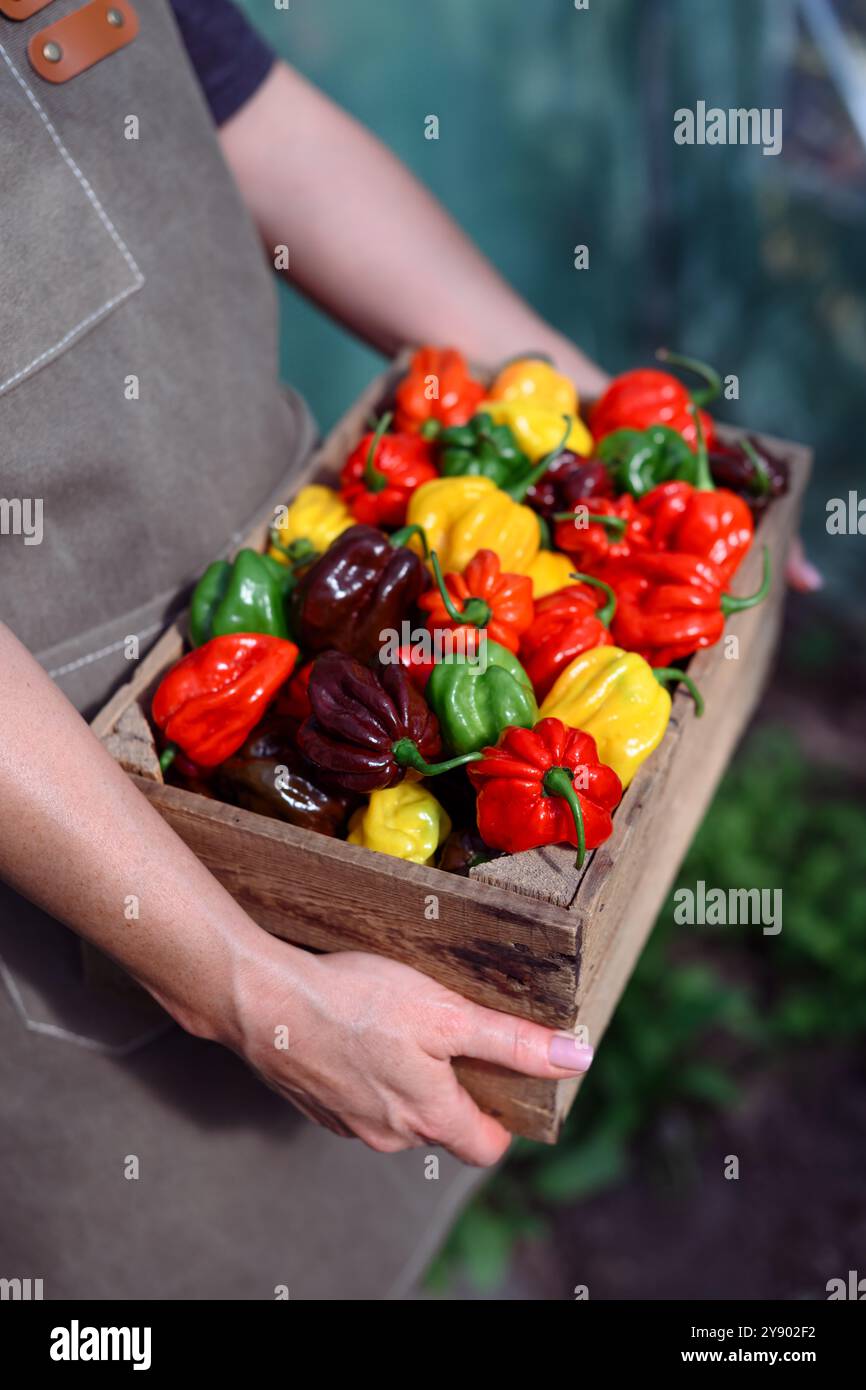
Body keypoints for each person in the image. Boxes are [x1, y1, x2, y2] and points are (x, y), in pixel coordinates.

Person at [0, 0, 603, 1301]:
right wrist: (244, 986)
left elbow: (247, 114)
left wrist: (570, 406)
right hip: (66, 854)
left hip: (314, 644)